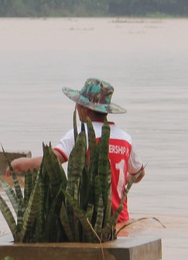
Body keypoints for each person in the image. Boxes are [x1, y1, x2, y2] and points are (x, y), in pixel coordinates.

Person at [10, 77, 146, 222]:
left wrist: (22, 163)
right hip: (121, 221)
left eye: (78, 104)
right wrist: (118, 180)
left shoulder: (80, 135)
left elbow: (51, 161)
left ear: (84, 108)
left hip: (89, 223)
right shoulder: (126, 139)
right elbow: (139, 173)